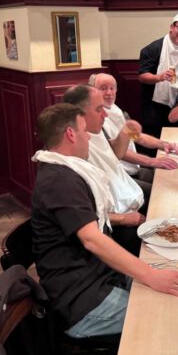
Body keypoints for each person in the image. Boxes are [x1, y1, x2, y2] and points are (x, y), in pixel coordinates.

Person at [31, 104, 178, 339]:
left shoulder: (66, 171)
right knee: (173, 316)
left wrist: (152, 274)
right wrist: (151, 276)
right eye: (84, 130)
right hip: (82, 301)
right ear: (70, 134)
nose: (89, 136)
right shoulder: (59, 181)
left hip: (103, 278)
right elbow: (92, 239)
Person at [60, 84, 147, 255]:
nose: (105, 114)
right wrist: (124, 219)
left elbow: (114, 154)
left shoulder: (95, 129)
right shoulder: (73, 150)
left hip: (124, 193)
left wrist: (125, 133)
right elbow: (88, 218)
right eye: (99, 109)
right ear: (78, 114)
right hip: (109, 227)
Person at [90, 73, 178, 184]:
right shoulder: (93, 119)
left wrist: (163, 144)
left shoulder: (115, 109)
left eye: (112, 88)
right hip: (117, 176)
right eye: (103, 88)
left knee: (170, 178)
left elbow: (137, 137)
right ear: (92, 91)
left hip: (132, 169)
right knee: (162, 187)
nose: (109, 93)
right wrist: (152, 161)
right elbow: (115, 151)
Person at [139, 3, 178, 140]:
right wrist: (160, 77)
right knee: (156, 140)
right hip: (156, 106)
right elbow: (142, 76)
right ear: (172, 27)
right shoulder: (153, 48)